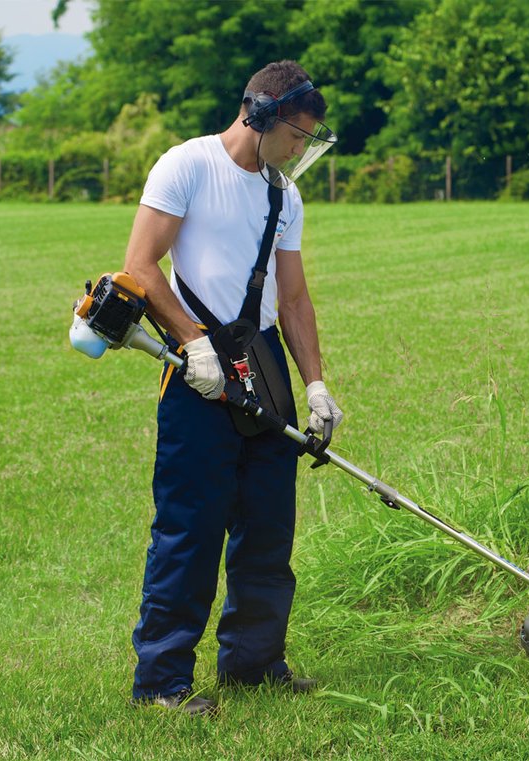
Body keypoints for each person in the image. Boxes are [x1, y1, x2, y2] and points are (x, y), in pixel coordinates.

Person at [121, 60, 342, 716]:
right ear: (263, 116)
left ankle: (253, 662)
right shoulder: (187, 166)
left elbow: (295, 297)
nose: (301, 149)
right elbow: (140, 265)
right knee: (192, 525)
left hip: (262, 361)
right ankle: (162, 682)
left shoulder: (284, 195)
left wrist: (317, 384)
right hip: (196, 365)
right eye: (298, 136)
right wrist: (190, 341)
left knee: (269, 524)